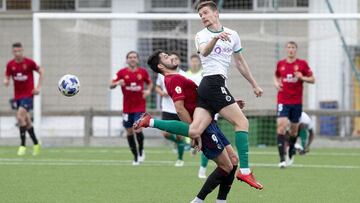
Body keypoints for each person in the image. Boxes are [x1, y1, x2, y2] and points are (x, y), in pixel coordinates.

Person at [138, 50, 239, 203]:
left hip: (209, 122)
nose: (171, 57)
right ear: (160, 66)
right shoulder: (174, 79)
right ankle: (198, 201)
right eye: (166, 57)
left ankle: (221, 201)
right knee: (226, 166)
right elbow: (179, 108)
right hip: (203, 125)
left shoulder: (175, 78)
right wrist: (195, 132)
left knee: (233, 160)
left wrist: (230, 105)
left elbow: (202, 98)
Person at [274, 41, 315, 168]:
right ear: (286, 50)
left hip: (296, 102)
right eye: (289, 47)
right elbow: (276, 76)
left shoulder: (302, 64)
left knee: (293, 131)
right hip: (283, 101)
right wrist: (276, 84)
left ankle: (291, 149)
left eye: (293, 48)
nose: (291, 50)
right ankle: (281, 160)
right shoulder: (281, 64)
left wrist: (302, 77)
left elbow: (313, 79)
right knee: (281, 127)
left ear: (296, 50)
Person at [110, 51, 153, 165]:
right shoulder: (121, 73)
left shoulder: (143, 72)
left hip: (139, 106)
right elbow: (111, 85)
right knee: (129, 132)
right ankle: (135, 157)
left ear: (138, 60)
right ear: (127, 60)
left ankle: (141, 150)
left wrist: (148, 90)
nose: (132, 59)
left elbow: (150, 83)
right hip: (127, 108)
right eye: (130, 57)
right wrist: (117, 83)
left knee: (137, 128)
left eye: (134, 57)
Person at [4, 42, 43, 156]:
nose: (17, 53)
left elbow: (41, 71)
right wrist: (6, 81)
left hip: (28, 95)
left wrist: (38, 87)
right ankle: (36, 144)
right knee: (27, 122)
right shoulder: (10, 65)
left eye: (19, 51)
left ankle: (22, 145)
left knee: (20, 116)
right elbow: (7, 76)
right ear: (13, 52)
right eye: (15, 51)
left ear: (22, 51)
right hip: (18, 96)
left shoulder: (29, 63)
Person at [155, 57, 185, 167]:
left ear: (179, 61)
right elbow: (157, 87)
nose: (174, 60)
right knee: (165, 133)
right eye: (171, 58)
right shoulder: (161, 74)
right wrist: (161, 92)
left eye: (176, 59)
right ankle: (178, 144)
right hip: (167, 108)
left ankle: (180, 159)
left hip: (179, 108)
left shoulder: (183, 74)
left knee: (179, 135)